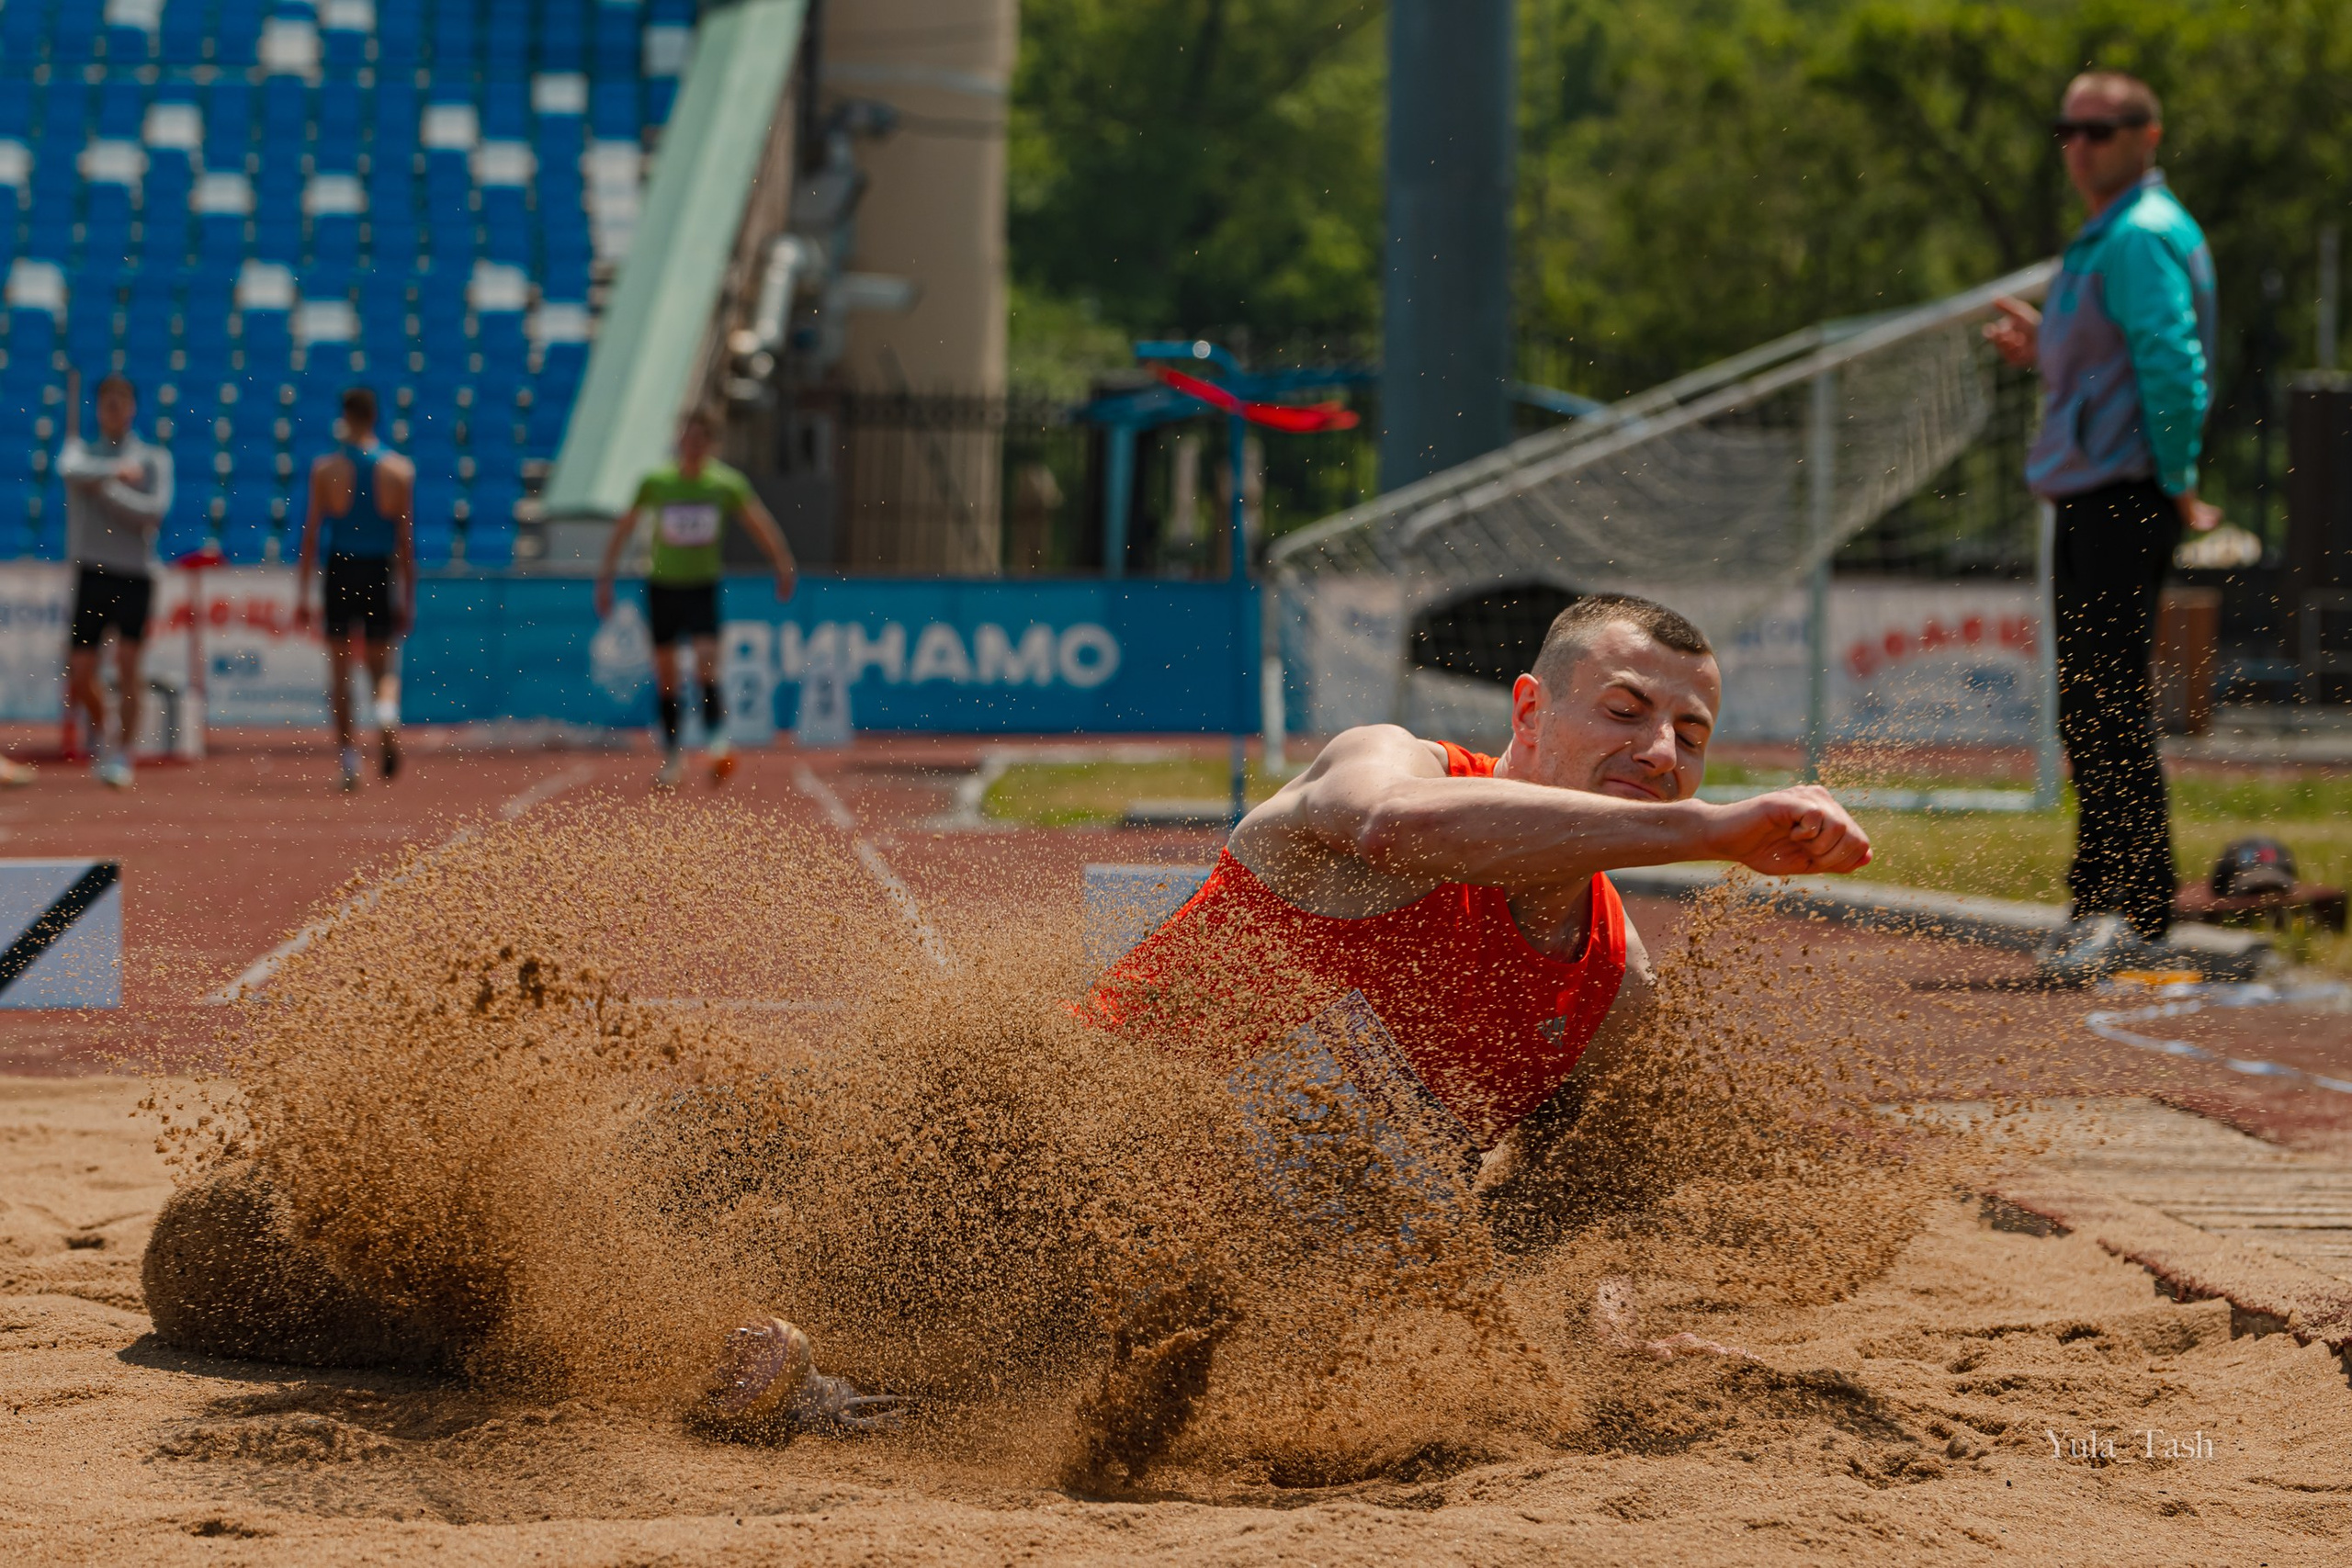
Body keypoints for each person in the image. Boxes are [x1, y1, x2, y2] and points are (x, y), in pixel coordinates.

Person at [142, 596, 1876, 1457]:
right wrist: (1716, 833)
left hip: (1139, 1274)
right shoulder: (1399, 766)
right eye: (1628, 712)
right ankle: (394, 1272)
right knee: (548, 1254)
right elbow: (1407, 844)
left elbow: (1571, 1196)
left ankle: (803, 1384)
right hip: (985, 1142)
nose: (1660, 750)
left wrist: (1592, 1309)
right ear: (1533, 706)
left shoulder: (1612, 984)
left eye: (1696, 739)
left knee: (1091, 1332)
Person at [1984, 70, 2218, 981]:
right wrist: (2045, 347)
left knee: (2106, 702)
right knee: (2089, 704)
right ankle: (2107, 897)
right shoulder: (2107, 238)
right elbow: (2118, 359)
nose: (2081, 145)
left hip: (2123, 492)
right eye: (2067, 130)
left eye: (2103, 129)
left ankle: (2128, 906)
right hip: (2099, 489)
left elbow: (2171, 361)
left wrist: (2180, 480)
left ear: (2146, 135)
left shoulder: (2135, 236)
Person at [594, 411, 797, 789]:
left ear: (711, 445)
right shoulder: (656, 482)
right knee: (667, 678)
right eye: (687, 439)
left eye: (700, 440)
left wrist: (783, 564)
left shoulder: (725, 484)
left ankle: (717, 745)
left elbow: (758, 522)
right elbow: (625, 526)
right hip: (662, 587)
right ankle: (673, 757)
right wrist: (605, 577)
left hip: (701, 587)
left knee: (706, 665)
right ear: (679, 441)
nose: (692, 446)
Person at [292, 389, 416, 793]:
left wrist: (303, 594)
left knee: (340, 672)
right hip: (378, 569)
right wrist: (408, 596)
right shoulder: (399, 470)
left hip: (342, 569)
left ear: (345, 417)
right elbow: (406, 542)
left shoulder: (326, 469)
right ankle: (385, 716)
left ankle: (349, 759)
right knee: (383, 669)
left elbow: (311, 534)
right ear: (376, 416)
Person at [59, 373, 174, 789]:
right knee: (80, 671)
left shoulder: (153, 459)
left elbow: (154, 511)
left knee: (129, 667)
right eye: (107, 402)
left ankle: (123, 753)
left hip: (135, 576)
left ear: (133, 408)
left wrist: (105, 489)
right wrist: (112, 473)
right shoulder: (82, 451)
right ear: (97, 408)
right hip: (92, 572)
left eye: (121, 402)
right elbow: (68, 469)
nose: (114, 409)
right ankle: (104, 731)